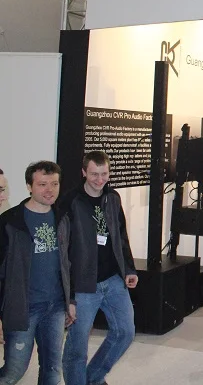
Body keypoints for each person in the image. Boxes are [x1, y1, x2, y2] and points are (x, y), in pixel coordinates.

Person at [62, 151, 138, 385]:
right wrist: (69, 295)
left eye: (104, 174)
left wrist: (129, 269)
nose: (100, 179)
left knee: (125, 332)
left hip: (113, 279)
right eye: (94, 174)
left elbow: (121, 236)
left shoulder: (113, 198)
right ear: (84, 172)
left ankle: (92, 378)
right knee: (77, 347)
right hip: (83, 285)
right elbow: (63, 249)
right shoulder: (70, 201)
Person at [0, 161, 72, 385]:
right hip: (23, 308)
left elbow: (69, 263)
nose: (49, 190)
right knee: (13, 372)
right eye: (42, 184)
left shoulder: (63, 218)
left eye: (54, 184)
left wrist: (71, 301)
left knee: (53, 370)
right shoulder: (9, 222)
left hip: (56, 307)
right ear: (29, 187)